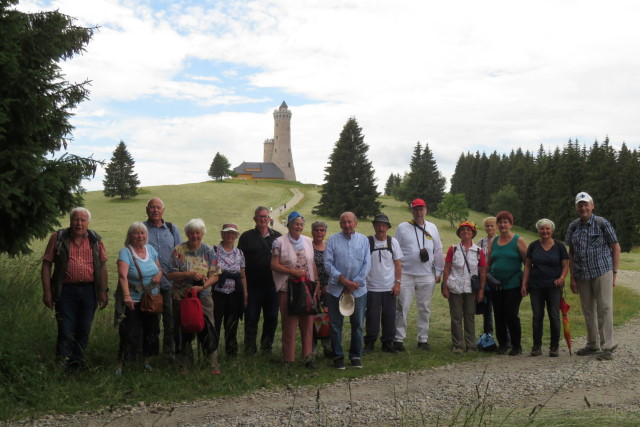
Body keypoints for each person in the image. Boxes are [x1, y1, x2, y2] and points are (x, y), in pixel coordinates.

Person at [41, 207, 109, 374]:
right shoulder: (58, 237)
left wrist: (103, 291)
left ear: (88, 222)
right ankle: (62, 367)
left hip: (89, 291)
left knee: (84, 330)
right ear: (70, 221)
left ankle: (76, 367)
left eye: (82, 220)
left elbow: (103, 266)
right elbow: (46, 265)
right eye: (76, 220)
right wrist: (48, 292)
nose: (79, 223)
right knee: (65, 330)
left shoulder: (95, 240)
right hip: (65, 291)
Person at [565, 192, 620, 360]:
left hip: (602, 271)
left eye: (586, 204)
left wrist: (614, 272)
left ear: (592, 205)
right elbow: (571, 253)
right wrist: (572, 278)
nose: (583, 208)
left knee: (604, 308)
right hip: (582, 274)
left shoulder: (602, 223)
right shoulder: (573, 226)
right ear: (576, 207)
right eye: (580, 205)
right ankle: (592, 344)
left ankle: (607, 346)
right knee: (588, 310)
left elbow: (616, 247)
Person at [167, 219, 221, 374]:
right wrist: (188, 274)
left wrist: (202, 286)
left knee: (208, 329)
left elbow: (215, 275)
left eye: (198, 232)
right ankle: (184, 364)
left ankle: (212, 364)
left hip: (203, 297)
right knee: (182, 330)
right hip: (181, 298)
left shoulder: (209, 251)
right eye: (191, 232)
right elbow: (170, 274)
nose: (195, 235)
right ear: (187, 234)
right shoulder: (178, 250)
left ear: (202, 233)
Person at [393, 198, 444, 352]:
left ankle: (423, 339)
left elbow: (438, 250)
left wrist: (439, 271)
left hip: (427, 274)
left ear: (426, 210)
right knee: (402, 307)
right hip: (406, 274)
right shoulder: (402, 228)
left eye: (421, 209)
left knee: (425, 307)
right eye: (416, 209)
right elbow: (395, 251)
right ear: (412, 211)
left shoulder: (432, 227)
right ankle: (398, 338)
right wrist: (396, 275)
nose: (419, 212)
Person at [271, 212, 318, 368]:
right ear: (289, 224)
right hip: (288, 288)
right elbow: (274, 265)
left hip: (306, 287)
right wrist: (293, 272)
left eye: (301, 224)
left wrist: (316, 284)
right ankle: (288, 359)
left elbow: (312, 264)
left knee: (307, 324)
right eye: (295, 223)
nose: (298, 226)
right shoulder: (279, 242)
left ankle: (308, 357)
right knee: (289, 324)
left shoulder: (308, 241)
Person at [324, 212, 371, 369]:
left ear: (355, 223)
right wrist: (343, 281)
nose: (347, 225)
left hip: (358, 290)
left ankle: (355, 355)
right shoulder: (332, 240)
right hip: (336, 289)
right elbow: (328, 264)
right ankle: (338, 356)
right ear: (340, 224)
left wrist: (353, 283)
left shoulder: (364, 240)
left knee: (357, 324)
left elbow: (367, 264)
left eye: (349, 222)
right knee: (336, 325)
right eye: (343, 222)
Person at [115, 222, 163, 375]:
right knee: (129, 333)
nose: (140, 236)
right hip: (133, 300)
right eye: (136, 233)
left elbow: (159, 268)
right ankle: (122, 364)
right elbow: (122, 276)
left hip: (151, 299)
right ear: (130, 236)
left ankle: (146, 361)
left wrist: (159, 276)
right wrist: (127, 296)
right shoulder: (126, 252)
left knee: (151, 331)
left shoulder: (150, 249)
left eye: (142, 233)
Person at [238, 206, 282, 354]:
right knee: (251, 318)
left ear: (269, 218)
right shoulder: (246, 237)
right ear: (254, 219)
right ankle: (250, 348)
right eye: (259, 216)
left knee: (272, 318)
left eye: (265, 216)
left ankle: (266, 347)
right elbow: (240, 262)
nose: (262, 219)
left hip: (273, 286)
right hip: (253, 286)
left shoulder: (278, 237)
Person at [521, 219, 569, 357]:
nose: (545, 231)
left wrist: (562, 278)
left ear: (552, 230)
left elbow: (565, 265)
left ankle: (554, 347)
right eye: (542, 229)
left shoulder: (559, 246)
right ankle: (537, 346)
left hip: (553, 286)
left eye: (547, 229)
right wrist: (524, 284)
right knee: (537, 316)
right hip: (536, 286)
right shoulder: (533, 246)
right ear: (538, 231)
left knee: (554, 316)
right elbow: (528, 266)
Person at [144, 197, 182, 360]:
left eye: (158, 207)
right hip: (148, 285)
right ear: (147, 210)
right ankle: (150, 354)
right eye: (152, 207)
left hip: (169, 284)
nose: (155, 210)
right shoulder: (141, 229)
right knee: (151, 323)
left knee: (171, 322)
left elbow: (181, 255)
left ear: (163, 210)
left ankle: (169, 354)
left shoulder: (172, 229)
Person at [442, 221, 486, 353]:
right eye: (463, 230)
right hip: (454, 286)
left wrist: (482, 290)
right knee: (456, 316)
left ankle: (471, 344)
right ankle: (458, 345)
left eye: (468, 230)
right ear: (459, 233)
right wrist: (445, 287)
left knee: (469, 316)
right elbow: (447, 268)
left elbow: (483, 270)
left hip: (471, 288)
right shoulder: (453, 249)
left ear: (473, 233)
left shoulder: (479, 251)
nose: (465, 232)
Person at [487, 211, 527, 356]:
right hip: (496, 285)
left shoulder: (518, 240)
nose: (503, 225)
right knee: (498, 314)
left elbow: (527, 263)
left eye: (506, 222)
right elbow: (488, 264)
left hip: (514, 285)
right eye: (500, 222)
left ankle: (516, 345)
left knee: (511, 314)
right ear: (497, 225)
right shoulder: (493, 242)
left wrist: (525, 283)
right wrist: (486, 278)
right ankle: (503, 344)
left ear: (510, 224)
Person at [364, 214, 403, 354]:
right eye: (378, 225)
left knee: (389, 316)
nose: (381, 228)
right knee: (372, 317)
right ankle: (370, 343)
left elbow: (398, 264)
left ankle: (388, 343)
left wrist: (397, 283)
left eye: (384, 225)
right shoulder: (367, 242)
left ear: (387, 227)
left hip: (389, 287)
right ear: (374, 226)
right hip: (371, 287)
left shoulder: (393, 242)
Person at [212, 223, 247, 358]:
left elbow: (243, 276)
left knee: (232, 324)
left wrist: (245, 295)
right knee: (215, 323)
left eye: (233, 233)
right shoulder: (214, 251)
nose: (230, 235)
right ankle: (212, 352)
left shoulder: (239, 253)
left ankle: (231, 353)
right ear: (222, 234)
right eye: (227, 233)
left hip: (234, 294)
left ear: (236, 236)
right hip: (218, 294)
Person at [311, 220, 332, 357]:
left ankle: (328, 348)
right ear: (312, 231)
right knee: (312, 319)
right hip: (311, 289)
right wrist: (315, 287)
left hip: (328, 289)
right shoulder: (307, 246)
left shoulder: (329, 247)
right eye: (317, 230)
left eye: (322, 230)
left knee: (326, 318)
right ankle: (310, 349)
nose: (319, 232)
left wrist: (330, 285)